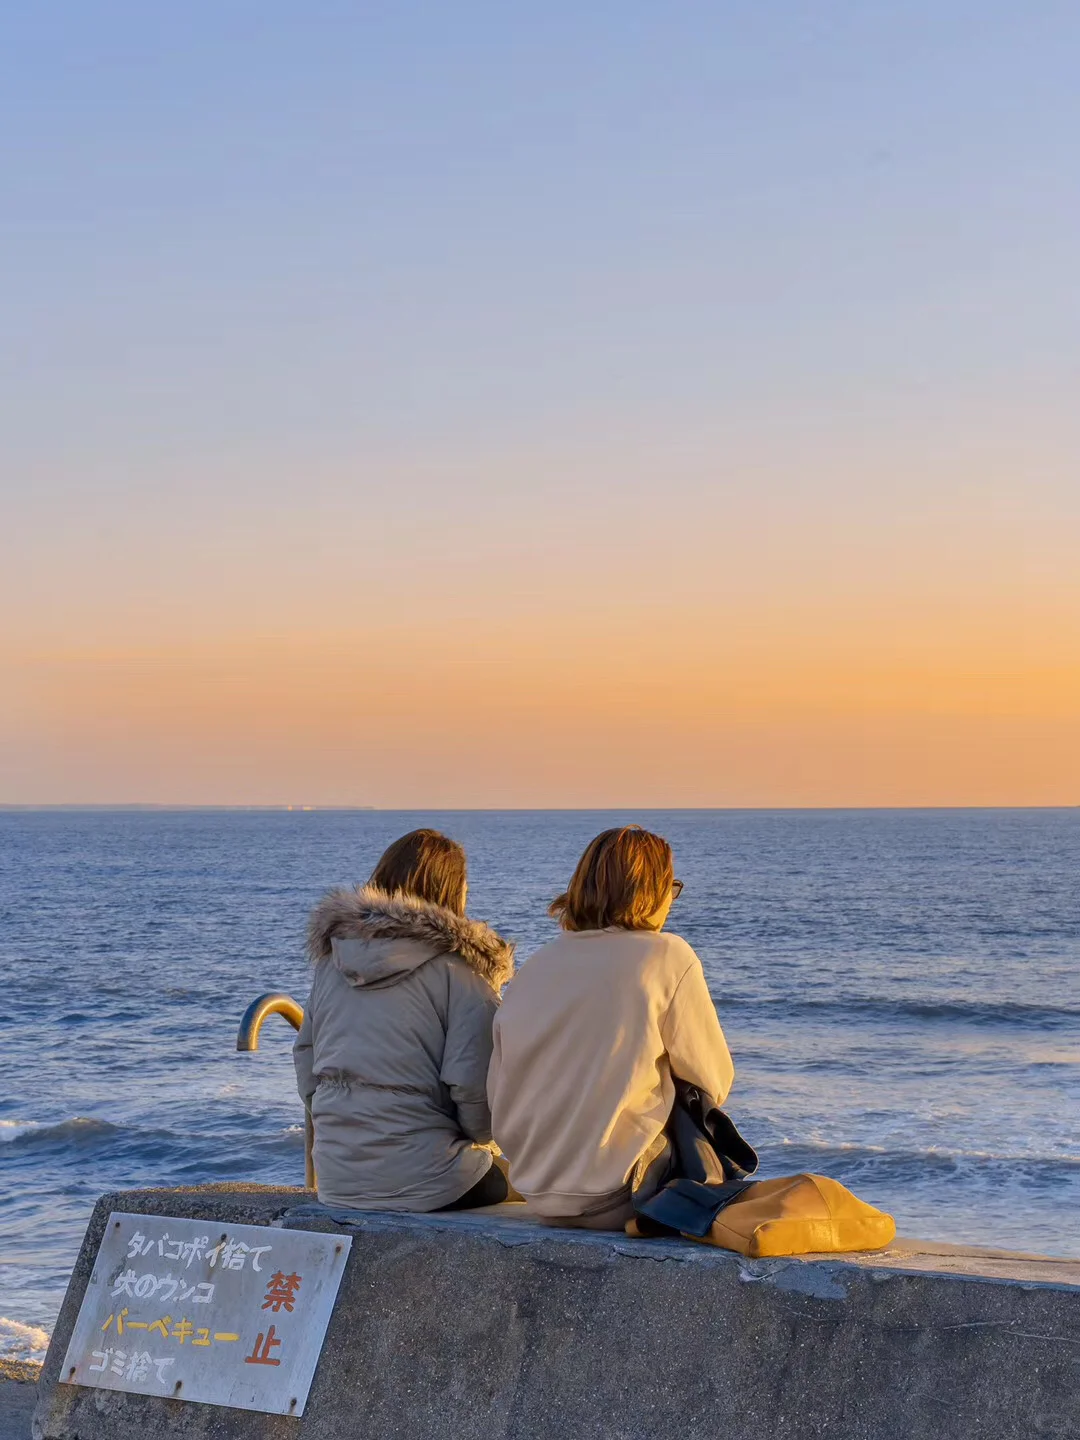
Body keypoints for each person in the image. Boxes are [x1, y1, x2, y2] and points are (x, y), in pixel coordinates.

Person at [487, 825, 734, 1230]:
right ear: (650, 891)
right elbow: (715, 1080)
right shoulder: (667, 955)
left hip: (539, 1192)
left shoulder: (535, 966)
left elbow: (497, 1092)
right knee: (689, 1093)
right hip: (623, 1194)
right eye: (669, 888)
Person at [294, 828, 516, 1211]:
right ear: (451, 893)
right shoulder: (462, 974)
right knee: (522, 1186)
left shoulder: (331, 964)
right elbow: (474, 1091)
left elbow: (307, 1063)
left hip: (335, 1177)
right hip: (429, 1180)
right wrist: (482, 1140)